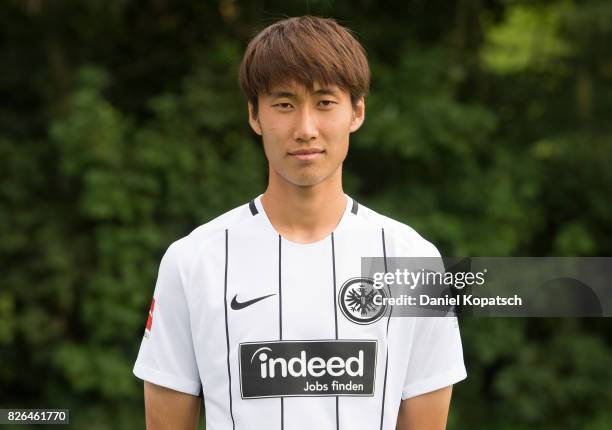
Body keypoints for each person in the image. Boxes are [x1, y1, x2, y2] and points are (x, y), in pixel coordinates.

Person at [133, 15, 467, 430]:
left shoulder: (413, 260)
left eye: (325, 103)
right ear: (254, 116)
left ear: (357, 112)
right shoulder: (192, 260)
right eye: (284, 104)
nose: (306, 129)